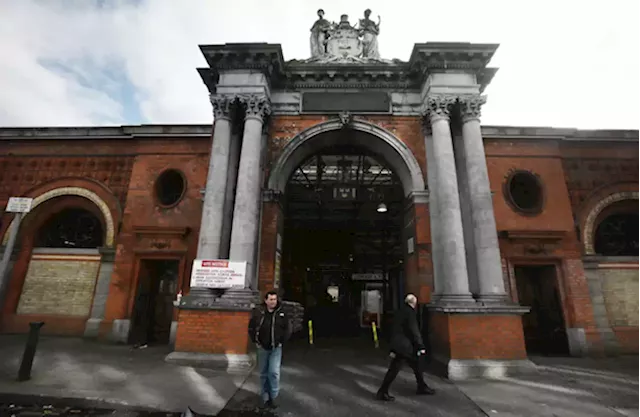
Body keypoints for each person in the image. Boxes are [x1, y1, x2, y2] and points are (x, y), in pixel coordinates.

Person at [376, 293, 435, 401]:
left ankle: (422, 386)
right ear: (414, 303)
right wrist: (420, 345)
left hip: (400, 345)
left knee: (416, 366)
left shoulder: (399, 311)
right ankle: (382, 392)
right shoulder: (410, 313)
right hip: (405, 347)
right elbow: (414, 330)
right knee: (395, 369)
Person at [248, 290, 292, 409]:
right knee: (263, 373)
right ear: (266, 300)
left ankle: (274, 396)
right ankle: (264, 396)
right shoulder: (259, 313)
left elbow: (287, 329)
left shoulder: (281, 313)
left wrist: (282, 342)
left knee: (273, 372)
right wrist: (255, 341)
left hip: (275, 347)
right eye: (271, 299)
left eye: (275, 299)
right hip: (262, 347)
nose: (273, 302)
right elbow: (251, 327)